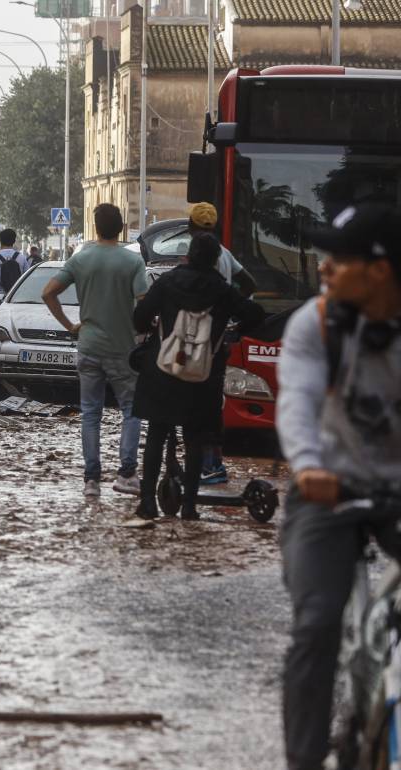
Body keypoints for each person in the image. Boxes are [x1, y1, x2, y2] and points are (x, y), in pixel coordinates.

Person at [276, 203, 401, 770]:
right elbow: (297, 404)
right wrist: (306, 467)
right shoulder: (315, 323)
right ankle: (303, 761)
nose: (324, 268)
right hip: (327, 488)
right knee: (318, 621)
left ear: (379, 271)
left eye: (339, 258)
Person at [129, 234, 265, 520]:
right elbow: (255, 314)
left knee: (156, 434)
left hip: (162, 371)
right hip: (202, 376)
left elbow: (140, 317)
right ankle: (189, 507)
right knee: (195, 437)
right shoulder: (222, 290)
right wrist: (230, 333)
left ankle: (148, 504)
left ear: (188, 254)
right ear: (216, 260)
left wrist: (157, 326)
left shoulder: (167, 283)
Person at [43, 204, 148, 498]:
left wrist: (69, 325)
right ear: (122, 228)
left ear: (96, 227)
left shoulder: (81, 258)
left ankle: (91, 481)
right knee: (131, 409)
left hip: (87, 344)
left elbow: (48, 292)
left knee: (90, 413)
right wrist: (141, 331)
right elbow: (144, 300)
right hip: (122, 348)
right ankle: (126, 473)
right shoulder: (132, 262)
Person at [186, 202, 258, 486]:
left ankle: (209, 464)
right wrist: (233, 319)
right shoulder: (226, 253)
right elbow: (249, 283)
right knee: (211, 401)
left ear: (190, 227)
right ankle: (206, 461)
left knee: (199, 403)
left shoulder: (203, 257)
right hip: (219, 338)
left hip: (201, 339)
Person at [0, 229, 29, 304]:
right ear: (14, 241)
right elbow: (27, 279)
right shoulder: (21, 257)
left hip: (0, 297)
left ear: (0, 241)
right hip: (17, 296)